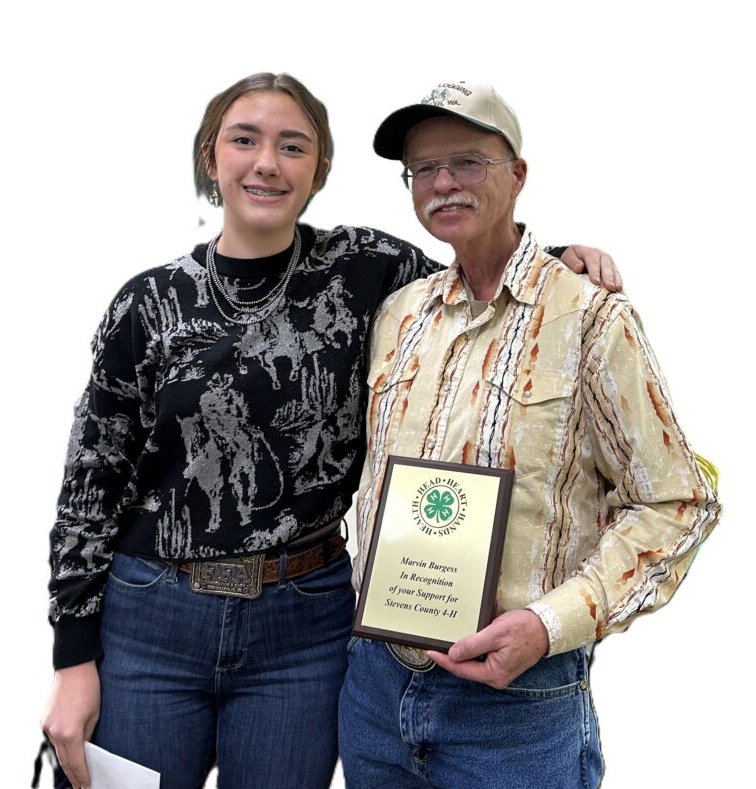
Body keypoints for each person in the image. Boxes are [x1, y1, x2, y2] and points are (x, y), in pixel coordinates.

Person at [41, 72, 620, 789]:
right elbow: (89, 485)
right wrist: (72, 659)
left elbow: (479, 279)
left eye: (293, 146)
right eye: (244, 140)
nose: (267, 162)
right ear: (209, 157)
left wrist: (558, 258)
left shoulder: (366, 271)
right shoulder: (148, 303)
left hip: (301, 627)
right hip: (152, 621)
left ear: (320, 169)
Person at [339, 80, 720, 789]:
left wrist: (549, 624)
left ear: (518, 175)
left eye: (468, 162)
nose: (444, 183)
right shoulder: (399, 314)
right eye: (424, 169)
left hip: (516, 712)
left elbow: (679, 505)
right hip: (374, 691)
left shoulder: (593, 318)